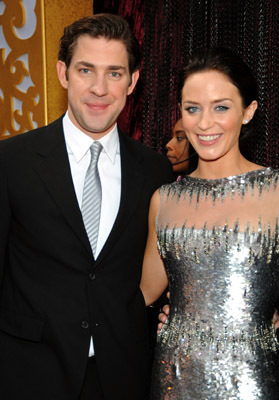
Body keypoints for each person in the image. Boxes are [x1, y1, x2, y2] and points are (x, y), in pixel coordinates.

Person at [0, 14, 173, 400]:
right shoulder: (12, 161)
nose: (99, 88)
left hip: (123, 377)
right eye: (86, 70)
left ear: (133, 80)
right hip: (27, 375)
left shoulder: (155, 168)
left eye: (114, 73)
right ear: (63, 73)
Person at [140, 47, 279, 399]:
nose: (204, 123)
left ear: (248, 112)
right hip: (175, 377)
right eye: (192, 109)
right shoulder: (165, 200)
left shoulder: (275, 192)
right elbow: (142, 293)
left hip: (254, 379)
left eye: (221, 107)